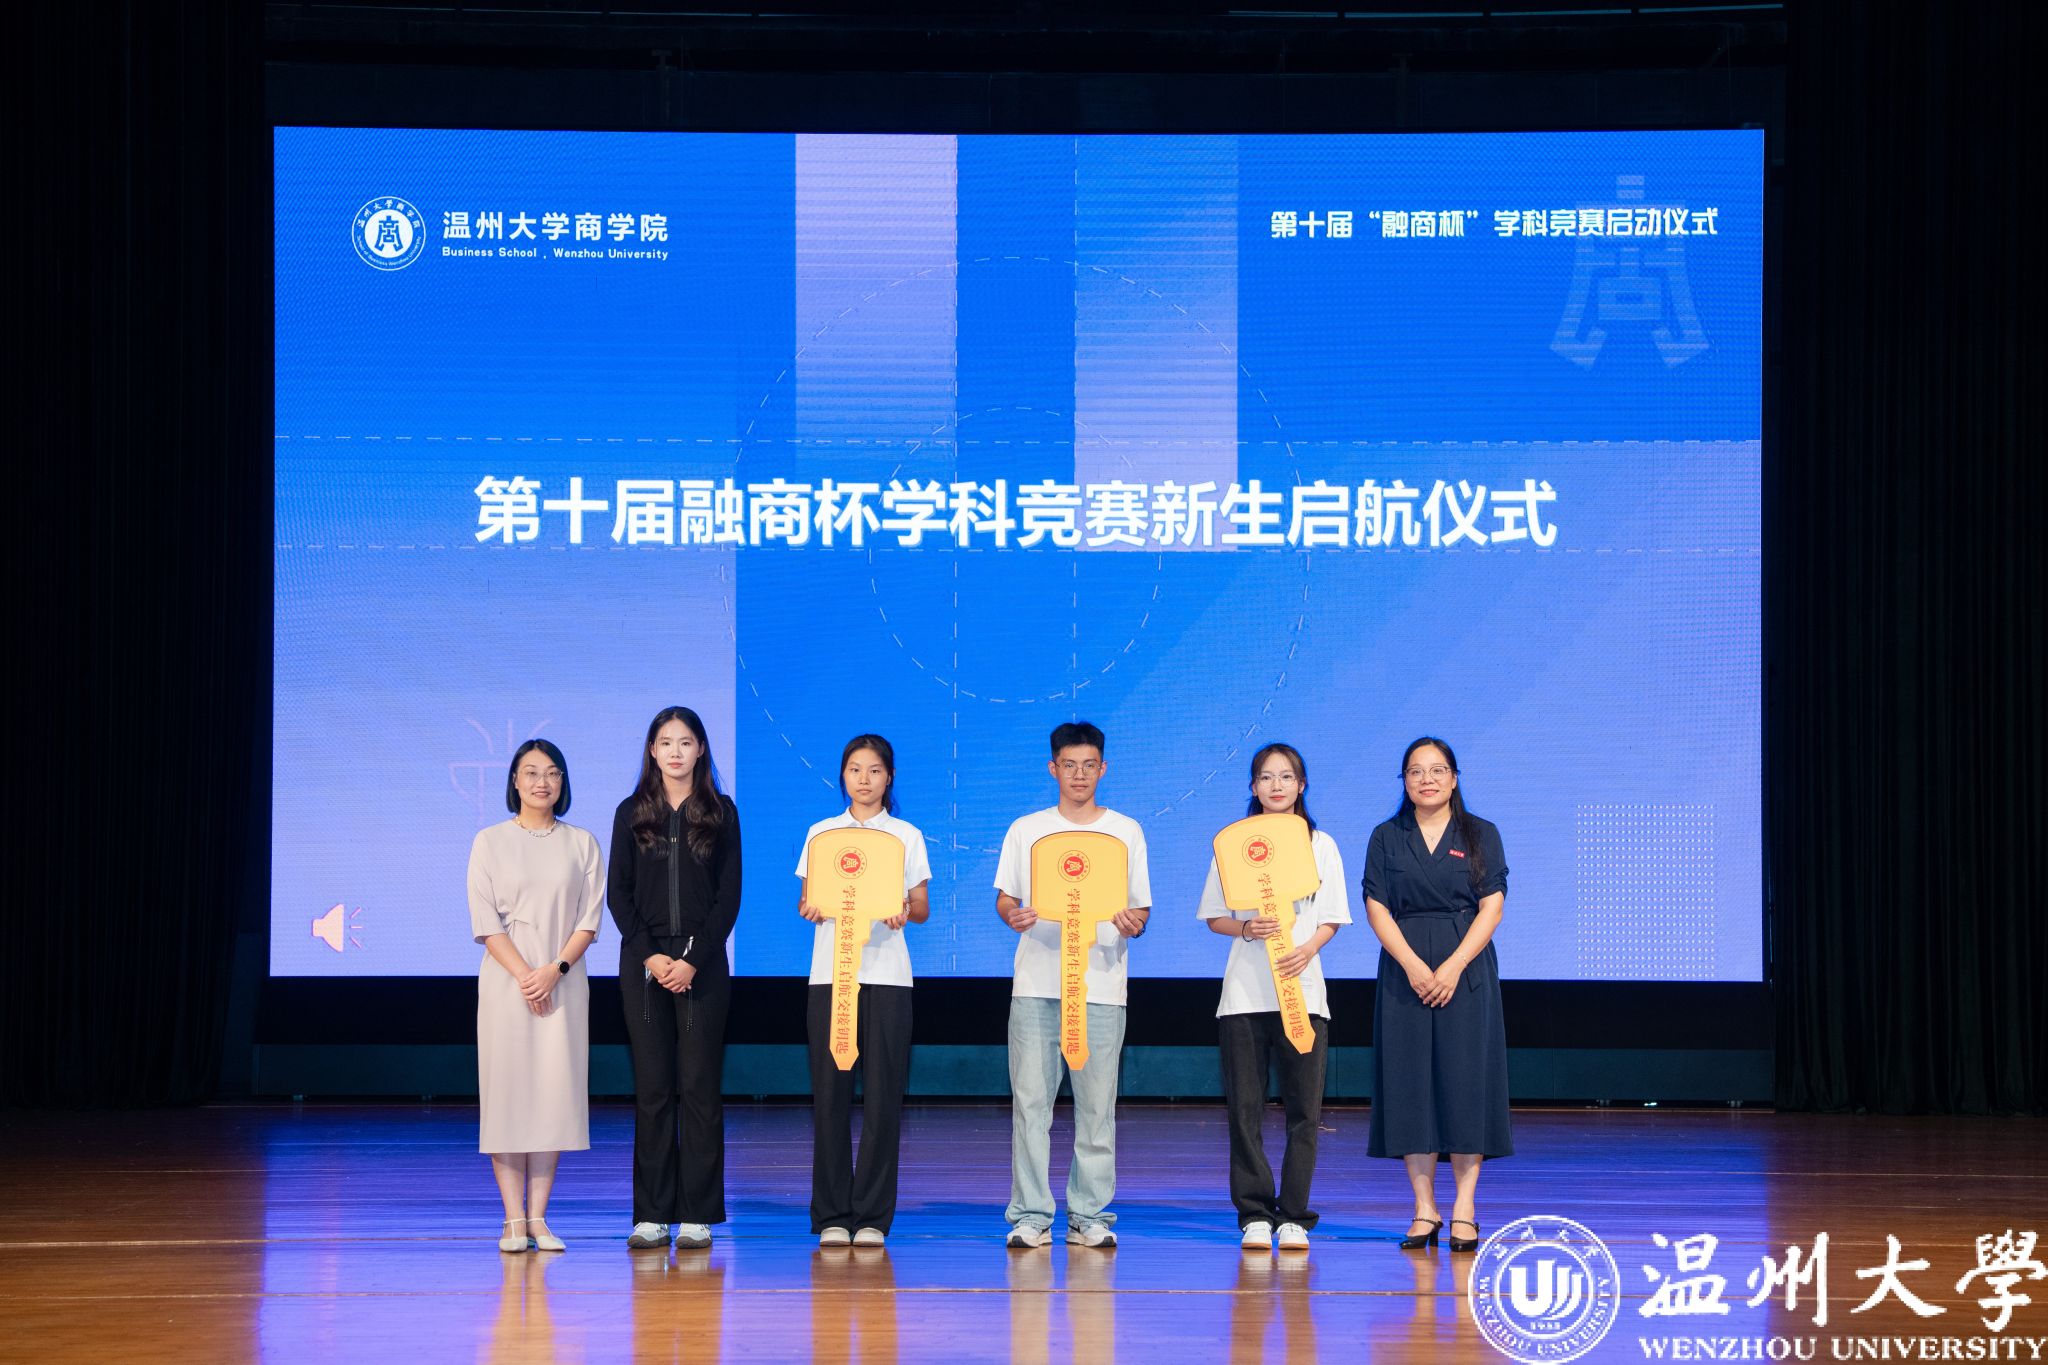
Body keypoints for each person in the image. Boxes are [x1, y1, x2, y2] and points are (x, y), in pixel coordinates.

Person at [994, 720, 1152, 1250]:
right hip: (1037, 986)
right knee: (1031, 1105)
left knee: (1097, 1107)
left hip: (1101, 987)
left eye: (1089, 765)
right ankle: (1031, 1215)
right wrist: (1013, 915)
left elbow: (1140, 908)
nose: (1079, 775)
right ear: (1053, 768)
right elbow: (1006, 899)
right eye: (1069, 765)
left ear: (1103, 768)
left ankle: (1090, 1214)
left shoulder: (1126, 831)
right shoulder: (1027, 829)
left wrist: (1132, 922)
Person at [1197, 742, 1351, 1252]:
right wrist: (1246, 929)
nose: (1277, 785)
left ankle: (1294, 1215)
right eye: (1266, 777)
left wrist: (1307, 949)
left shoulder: (1320, 843)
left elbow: (1332, 915)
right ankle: (1255, 1214)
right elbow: (1215, 916)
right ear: (1253, 786)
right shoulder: (1233, 843)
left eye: (1286, 777)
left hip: (1303, 994)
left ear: (1301, 785)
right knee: (1245, 1109)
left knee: (1304, 1111)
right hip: (1244, 996)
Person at [1363, 737, 1511, 1253]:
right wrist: (1412, 965)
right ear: (1404, 781)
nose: (1426, 779)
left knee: (1465, 1083)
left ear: (1454, 778)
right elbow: (1376, 905)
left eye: (1437, 770)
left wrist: (1452, 966)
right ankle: (1424, 1208)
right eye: (1415, 771)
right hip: (1404, 970)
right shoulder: (1386, 836)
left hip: (1464, 969)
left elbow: (1492, 906)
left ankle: (1465, 1207)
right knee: (1411, 1085)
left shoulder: (1480, 833)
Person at [608, 706, 741, 1251]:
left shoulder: (721, 813)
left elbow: (728, 897)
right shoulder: (631, 813)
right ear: (652, 751)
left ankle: (697, 1214)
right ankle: (652, 1214)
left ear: (701, 749)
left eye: (686, 742)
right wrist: (651, 957)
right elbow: (618, 895)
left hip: (701, 964)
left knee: (700, 1089)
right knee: (654, 1090)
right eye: (666, 742)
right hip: (644, 966)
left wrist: (692, 960)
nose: (676, 752)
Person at [467, 738, 605, 1253]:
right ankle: (512, 1220)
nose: (541, 782)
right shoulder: (489, 841)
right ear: (515, 781)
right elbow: (486, 922)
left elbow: (589, 920)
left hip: (563, 982)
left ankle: (540, 1218)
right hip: (506, 984)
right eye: (531, 772)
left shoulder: (582, 843)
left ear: (562, 782)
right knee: (507, 1095)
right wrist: (527, 976)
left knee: (552, 1094)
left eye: (552, 773)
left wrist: (554, 970)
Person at [796, 734, 932, 1248]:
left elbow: (921, 907)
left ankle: (873, 1216)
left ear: (889, 776)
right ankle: (832, 1214)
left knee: (882, 1099)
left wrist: (904, 910)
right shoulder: (822, 833)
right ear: (843, 774)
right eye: (855, 769)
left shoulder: (906, 835)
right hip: (831, 977)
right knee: (829, 1096)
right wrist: (811, 908)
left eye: (874, 770)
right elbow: (807, 901)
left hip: (887, 977)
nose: (864, 779)